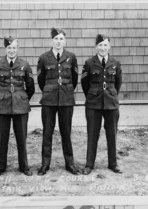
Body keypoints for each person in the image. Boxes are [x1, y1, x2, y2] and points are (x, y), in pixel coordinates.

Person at [37, 27, 80, 175]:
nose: (58, 42)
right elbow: (41, 80)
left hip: (66, 99)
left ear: (65, 41)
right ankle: (45, 164)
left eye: (61, 39)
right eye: (56, 39)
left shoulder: (71, 57)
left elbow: (74, 80)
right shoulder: (44, 58)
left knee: (66, 132)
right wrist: (50, 90)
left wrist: (66, 90)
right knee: (47, 133)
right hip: (49, 100)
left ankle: (70, 164)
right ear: (52, 41)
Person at [0, 36, 35, 177]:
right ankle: (0, 167)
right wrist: (2, 96)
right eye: (9, 48)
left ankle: (24, 166)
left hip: (20, 106)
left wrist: (22, 97)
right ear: (5, 49)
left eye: (14, 48)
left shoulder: (25, 65)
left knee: (21, 137)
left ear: (18, 49)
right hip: (2, 105)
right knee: (2, 138)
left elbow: (31, 87)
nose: (11, 50)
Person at [81, 34, 122, 175]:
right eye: (100, 45)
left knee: (112, 134)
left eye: (105, 45)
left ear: (109, 46)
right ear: (96, 47)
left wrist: (111, 94)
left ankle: (113, 164)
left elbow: (118, 83)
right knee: (92, 134)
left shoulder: (115, 63)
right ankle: (89, 164)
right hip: (93, 103)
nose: (102, 48)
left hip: (111, 103)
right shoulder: (88, 63)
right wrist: (93, 95)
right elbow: (84, 84)